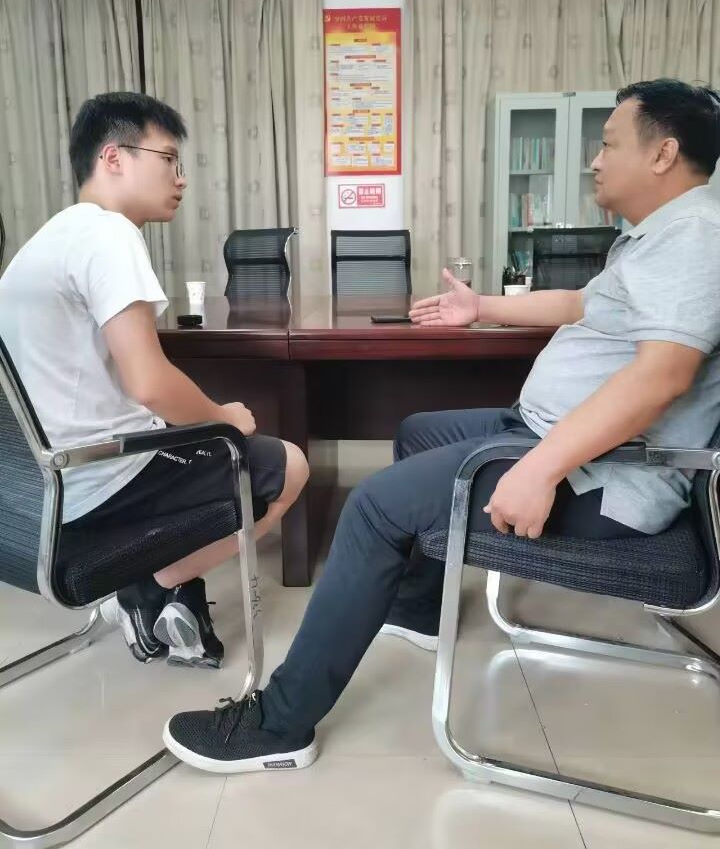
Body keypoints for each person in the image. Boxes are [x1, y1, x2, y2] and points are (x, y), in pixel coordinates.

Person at [162, 77, 720, 773]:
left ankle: (279, 725)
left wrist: (540, 468)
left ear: (663, 153)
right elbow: (581, 305)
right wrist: (479, 307)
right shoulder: (656, 235)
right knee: (419, 430)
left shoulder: (695, 236)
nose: (595, 160)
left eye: (609, 144)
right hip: (552, 435)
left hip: (604, 474)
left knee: (373, 507)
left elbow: (662, 378)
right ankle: (420, 609)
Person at [0, 92, 308, 669]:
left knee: (186, 432)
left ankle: (162, 589)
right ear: (114, 158)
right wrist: (223, 418)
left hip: (33, 497)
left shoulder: (45, 242)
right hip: (99, 482)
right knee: (287, 465)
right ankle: (145, 585)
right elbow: (149, 382)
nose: (180, 177)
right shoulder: (109, 235)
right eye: (167, 158)